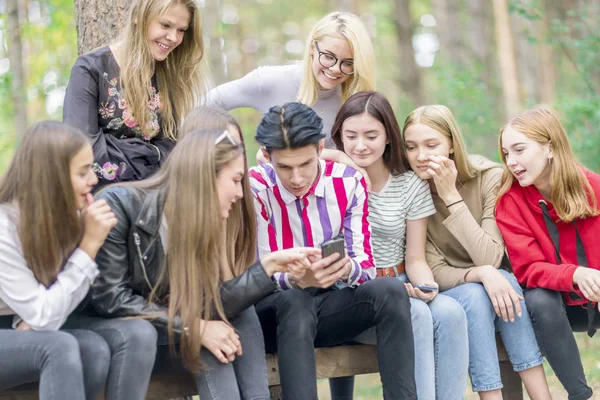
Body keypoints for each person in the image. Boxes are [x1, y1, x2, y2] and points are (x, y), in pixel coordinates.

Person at [84, 128, 317, 399]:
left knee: (231, 319)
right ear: (206, 177)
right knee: (208, 337)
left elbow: (206, 304)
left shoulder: (195, 224)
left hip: (163, 331)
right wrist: (196, 328)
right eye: (235, 180)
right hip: (115, 338)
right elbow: (110, 300)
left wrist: (268, 267)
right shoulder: (118, 205)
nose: (240, 194)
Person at [249, 102, 416, 400]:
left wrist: (345, 269)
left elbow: (364, 266)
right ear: (266, 155)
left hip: (327, 308)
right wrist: (295, 280)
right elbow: (254, 275)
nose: (297, 178)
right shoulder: (255, 187)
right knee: (295, 301)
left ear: (320, 147)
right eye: (284, 167)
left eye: (305, 164)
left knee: (390, 291)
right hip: (270, 317)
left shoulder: (348, 182)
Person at [401, 105, 551, 399]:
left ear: (452, 144)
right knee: (476, 293)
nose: (421, 155)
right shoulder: (411, 191)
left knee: (503, 282)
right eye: (411, 147)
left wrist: (450, 195)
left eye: (432, 145)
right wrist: (480, 274)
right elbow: (434, 270)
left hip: (498, 290)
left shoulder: (489, 178)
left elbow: (491, 255)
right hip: (453, 292)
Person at [0, 121, 156, 400]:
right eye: (83, 172)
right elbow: (44, 315)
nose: (94, 180)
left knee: (98, 349)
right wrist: (88, 246)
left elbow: (52, 312)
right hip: (10, 328)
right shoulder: (5, 226)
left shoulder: (70, 217)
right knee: (58, 347)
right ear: (52, 178)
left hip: (31, 321)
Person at [327, 91, 468, 400]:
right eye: (350, 136)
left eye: (371, 135)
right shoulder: (330, 180)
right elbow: (300, 156)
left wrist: (426, 286)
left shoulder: (409, 184)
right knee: (415, 314)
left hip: (403, 282)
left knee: (451, 312)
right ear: (339, 136)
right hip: (354, 293)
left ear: (389, 137)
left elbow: (415, 257)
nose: (360, 145)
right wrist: (341, 159)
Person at [496, 105, 600, 400]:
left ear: (550, 147)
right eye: (506, 154)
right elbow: (528, 269)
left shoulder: (594, 187)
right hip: (559, 310)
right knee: (539, 298)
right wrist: (576, 274)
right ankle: (580, 395)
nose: (512, 162)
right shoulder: (510, 203)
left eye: (519, 150)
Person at [63, 0, 205, 190]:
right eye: (165, 25)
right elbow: (82, 148)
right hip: (102, 201)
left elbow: (171, 152)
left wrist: (115, 146)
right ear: (138, 16)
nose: (173, 37)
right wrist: (150, 153)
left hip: (152, 200)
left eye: (181, 30)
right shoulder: (90, 70)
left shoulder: (170, 78)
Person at [206, 11, 375, 149]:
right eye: (328, 57)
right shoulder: (271, 80)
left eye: (347, 63)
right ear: (311, 48)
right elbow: (209, 103)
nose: (335, 69)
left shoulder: (354, 98)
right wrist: (229, 149)